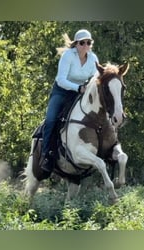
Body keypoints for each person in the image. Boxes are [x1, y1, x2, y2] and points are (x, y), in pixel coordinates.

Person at [40, 29, 99, 178]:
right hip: (62, 92)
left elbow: (96, 79)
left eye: (88, 42)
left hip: (82, 93)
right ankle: (46, 155)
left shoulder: (93, 59)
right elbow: (61, 80)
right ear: (75, 44)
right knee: (51, 119)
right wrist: (78, 88)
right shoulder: (68, 56)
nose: (86, 45)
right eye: (82, 43)